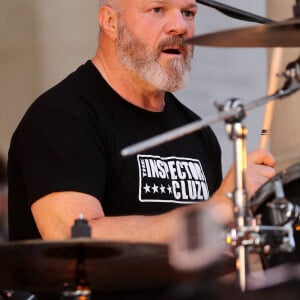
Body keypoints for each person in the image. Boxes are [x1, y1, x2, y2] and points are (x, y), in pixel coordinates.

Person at [7, 0, 275, 243]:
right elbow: (74, 239)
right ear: (110, 21)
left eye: (188, 13)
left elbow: (211, 258)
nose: (180, 26)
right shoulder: (61, 118)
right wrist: (215, 210)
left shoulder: (197, 132)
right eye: (157, 10)